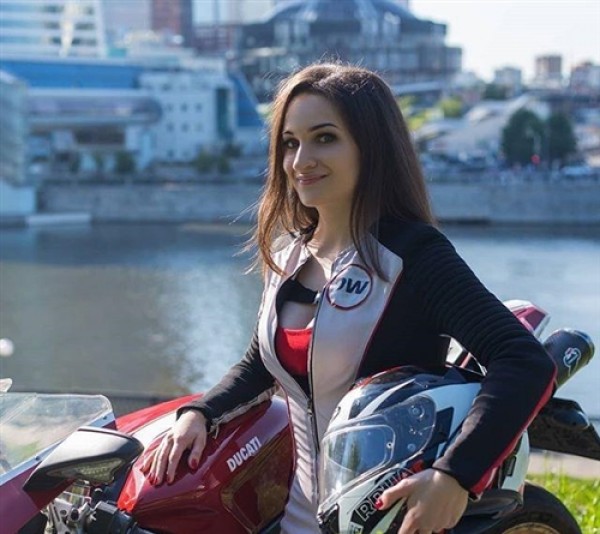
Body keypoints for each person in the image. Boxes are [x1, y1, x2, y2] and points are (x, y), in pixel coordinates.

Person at [141, 63, 556, 534]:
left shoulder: (414, 254)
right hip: (298, 520)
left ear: (372, 147)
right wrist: (200, 413)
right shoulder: (289, 254)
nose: (301, 161)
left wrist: (455, 476)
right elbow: (260, 364)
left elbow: (522, 360)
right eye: (290, 143)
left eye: (325, 138)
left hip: (389, 521)